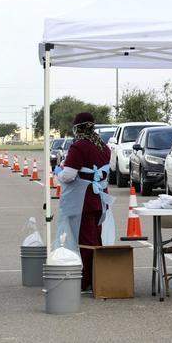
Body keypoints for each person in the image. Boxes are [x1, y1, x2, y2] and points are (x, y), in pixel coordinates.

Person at [57, 112, 112, 291]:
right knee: (96, 237)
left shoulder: (79, 147)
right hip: (100, 199)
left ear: (78, 128)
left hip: (83, 201)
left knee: (85, 241)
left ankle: (87, 279)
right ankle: (99, 275)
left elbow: (69, 175)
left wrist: (58, 173)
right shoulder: (103, 147)